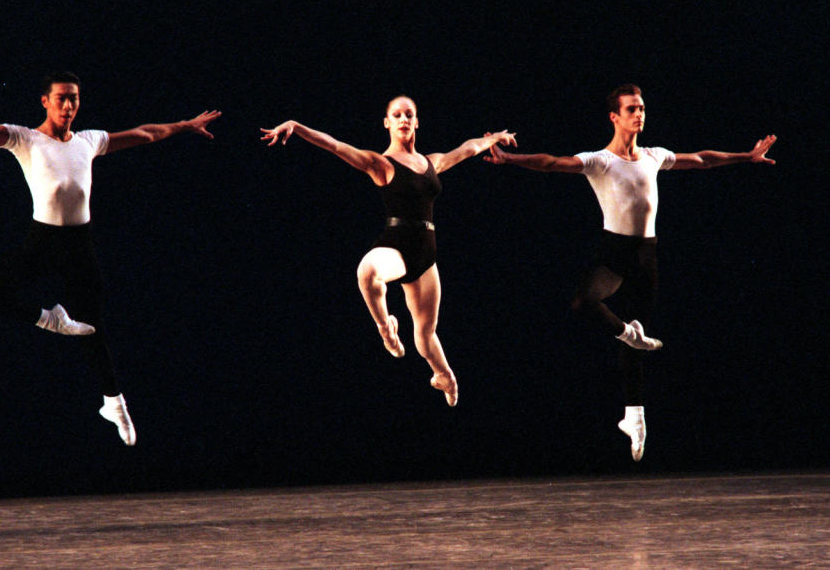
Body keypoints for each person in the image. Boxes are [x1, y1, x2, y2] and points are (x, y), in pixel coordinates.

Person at [0, 71, 221, 446]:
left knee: (94, 328)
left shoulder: (90, 141)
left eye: (74, 98)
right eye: (61, 98)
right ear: (45, 101)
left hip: (80, 245)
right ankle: (50, 320)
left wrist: (185, 126)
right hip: (42, 242)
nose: (68, 105)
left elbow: (146, 133)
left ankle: (114, 402)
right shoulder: (25, 140)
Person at [485, 84, 776, 460]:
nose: (639, 114)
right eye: (631, 109)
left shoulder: (654, 156)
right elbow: (553, 162)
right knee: (584, 303)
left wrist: (747, 156)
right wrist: (511, 160)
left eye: (642, 108)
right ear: (615, 117)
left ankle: (635, 417)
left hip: (646, 255)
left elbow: (703, 159)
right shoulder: (600, 161)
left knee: (634, 349)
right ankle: (627, 332)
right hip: (615, 253)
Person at [261, 96, 515, 407]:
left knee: (425, 337)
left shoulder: (431, 162)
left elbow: (467, 149)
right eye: (397, 115)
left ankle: (445, 376)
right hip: (397, 246)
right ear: (387, 123)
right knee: (367, 272)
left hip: (427, 256)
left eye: (410, 114)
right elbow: (336, 146)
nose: (404, 119)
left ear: (417, 121)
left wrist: (496, 138)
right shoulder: (380, 164)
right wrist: (297, 127)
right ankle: (387, 329)